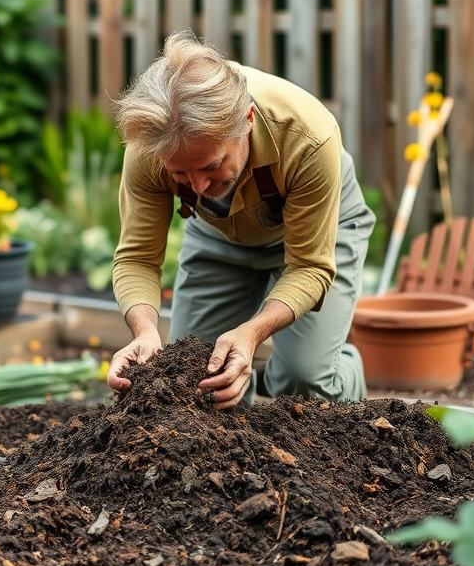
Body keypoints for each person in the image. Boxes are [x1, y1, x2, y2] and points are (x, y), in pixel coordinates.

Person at [106, 29, 375, 409]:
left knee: (303, 381)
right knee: (196, 383)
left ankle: (340, 368)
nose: (197, 188)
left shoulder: (307, 137)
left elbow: (310, 267)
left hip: (319, 232)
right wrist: (145, 331)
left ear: (247, 121)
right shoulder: (151, 143)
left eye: (212, 166)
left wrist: (251, 334)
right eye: (180, 174)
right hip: (219, 235)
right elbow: (137, 258)